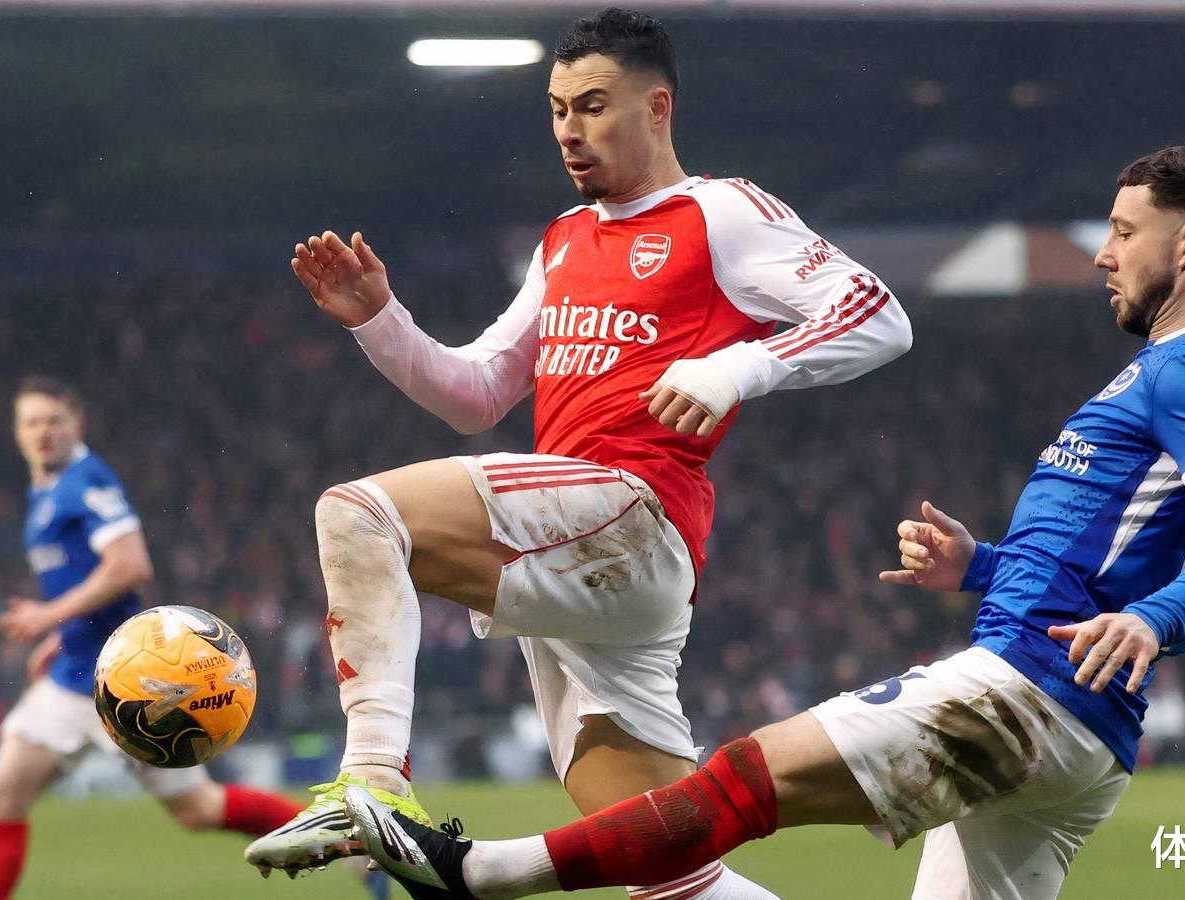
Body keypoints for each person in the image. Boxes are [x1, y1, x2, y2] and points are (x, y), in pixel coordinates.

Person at [344, 143, 1185, 900]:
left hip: (1029, 692)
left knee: (745, 779)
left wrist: (1155, 619)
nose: (1105, 254)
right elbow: (1112, 549)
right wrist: (982, 566)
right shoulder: (1167, 372)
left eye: (1124, 232)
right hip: (1080, 730)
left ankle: (472, 874)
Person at [242, 8, 913, 898]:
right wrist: (381, 321)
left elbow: (877, 314)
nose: (569, 129)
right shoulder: (564, 238)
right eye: (558, 109)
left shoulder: (720, 211)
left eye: (593, 105)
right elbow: (478, 394)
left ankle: (372, 780)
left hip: (631, 509)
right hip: (582, 563)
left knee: (359, 512)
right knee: (669, 870)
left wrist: (737, 368)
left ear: (657, 107)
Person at [0, 377, 310, 899]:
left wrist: (48, 615)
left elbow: (129, 565)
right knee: (3, 795)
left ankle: (346, 844)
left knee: (199, 810)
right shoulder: (46, 489)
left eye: (54, 421)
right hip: (72, 676)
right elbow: (88, 580)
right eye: (32, 422)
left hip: (130, 683)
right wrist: (61, 634)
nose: (43, 432)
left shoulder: (87, 482)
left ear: (77, 425)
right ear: (17, 432)